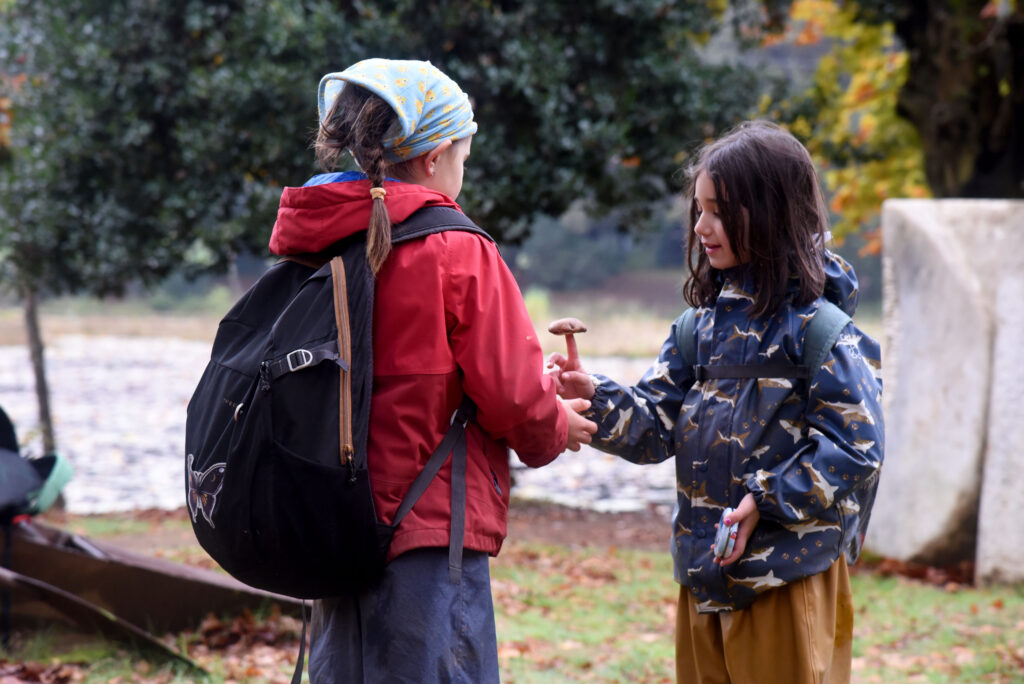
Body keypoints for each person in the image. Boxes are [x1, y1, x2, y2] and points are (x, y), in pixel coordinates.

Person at [269, 58, 597, 683]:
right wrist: (559, 422)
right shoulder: (453, 248)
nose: (461, 176)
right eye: (464, 160)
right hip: (427, 533)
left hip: (334, 526)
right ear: (435, 155)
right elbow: (511, 396)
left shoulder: (314, 240)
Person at [548, 120, 883, 684]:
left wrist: (764, 498)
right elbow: (654, 426)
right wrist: (595, 396)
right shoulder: (696, 329)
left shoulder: (823, 332)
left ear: (772, 213)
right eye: (698, 210)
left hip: (786, 579)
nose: (703, 226)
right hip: (702, 577)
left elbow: (857, 448)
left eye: (720, 211)